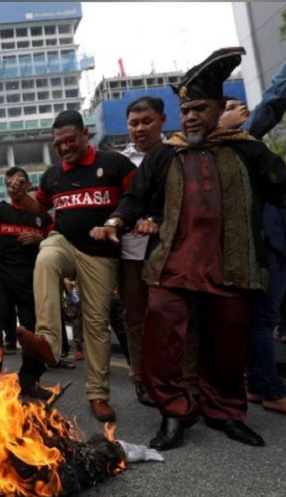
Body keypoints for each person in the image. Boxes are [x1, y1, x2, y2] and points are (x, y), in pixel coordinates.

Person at [96, 47, 286, 451]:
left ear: (219, 108)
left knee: (227, 347)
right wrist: (114, 221)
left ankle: (225, 413)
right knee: (165, 344)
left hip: (231, 267)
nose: (190, 117)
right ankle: (174, 414)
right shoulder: (164, 155)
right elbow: (135, 198)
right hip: (171, 267)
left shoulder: (248, 150)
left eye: (199, 108)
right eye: (185, 108)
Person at [220, 27, 286, 419]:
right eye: (231, 107)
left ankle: (255, 381)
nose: (242, 110)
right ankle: (270, 389)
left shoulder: (251, 151)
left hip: (277, 244)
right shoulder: (234, 141)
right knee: (263, 320)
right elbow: (271, 106)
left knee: (259, 319)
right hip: (262, 248)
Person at [7, 110, 137, 423]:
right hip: (65, 242)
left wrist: (115, 221)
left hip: (100, 255)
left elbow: (136, 195)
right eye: (58, 143)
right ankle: (49, 342)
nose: (64, 147)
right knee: (46, 255)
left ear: (84, 134)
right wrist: (21, 195)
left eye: (69, 141)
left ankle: (98, 395)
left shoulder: (115, 163)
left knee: (95, 325)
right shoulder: (51, 175)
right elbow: (39, 207)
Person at [0, 166, 53, 399]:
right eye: (9, 184)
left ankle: (29, 382)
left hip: (30, 278)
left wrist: (40, 239)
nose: (13, 187)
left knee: (33, 331)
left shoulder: (42, 215)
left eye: (18, 182)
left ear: (28, 185)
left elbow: (57, 239)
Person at [119, 96, 166, 407]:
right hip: (129, 254)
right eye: (134, 123)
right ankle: (142, 379)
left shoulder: (178, 155)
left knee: (169, 316)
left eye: (146, 121)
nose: (139, 128)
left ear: (162, 120)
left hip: (169, 253)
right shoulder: (119, 162)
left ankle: (178, 379)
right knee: (136, 317)